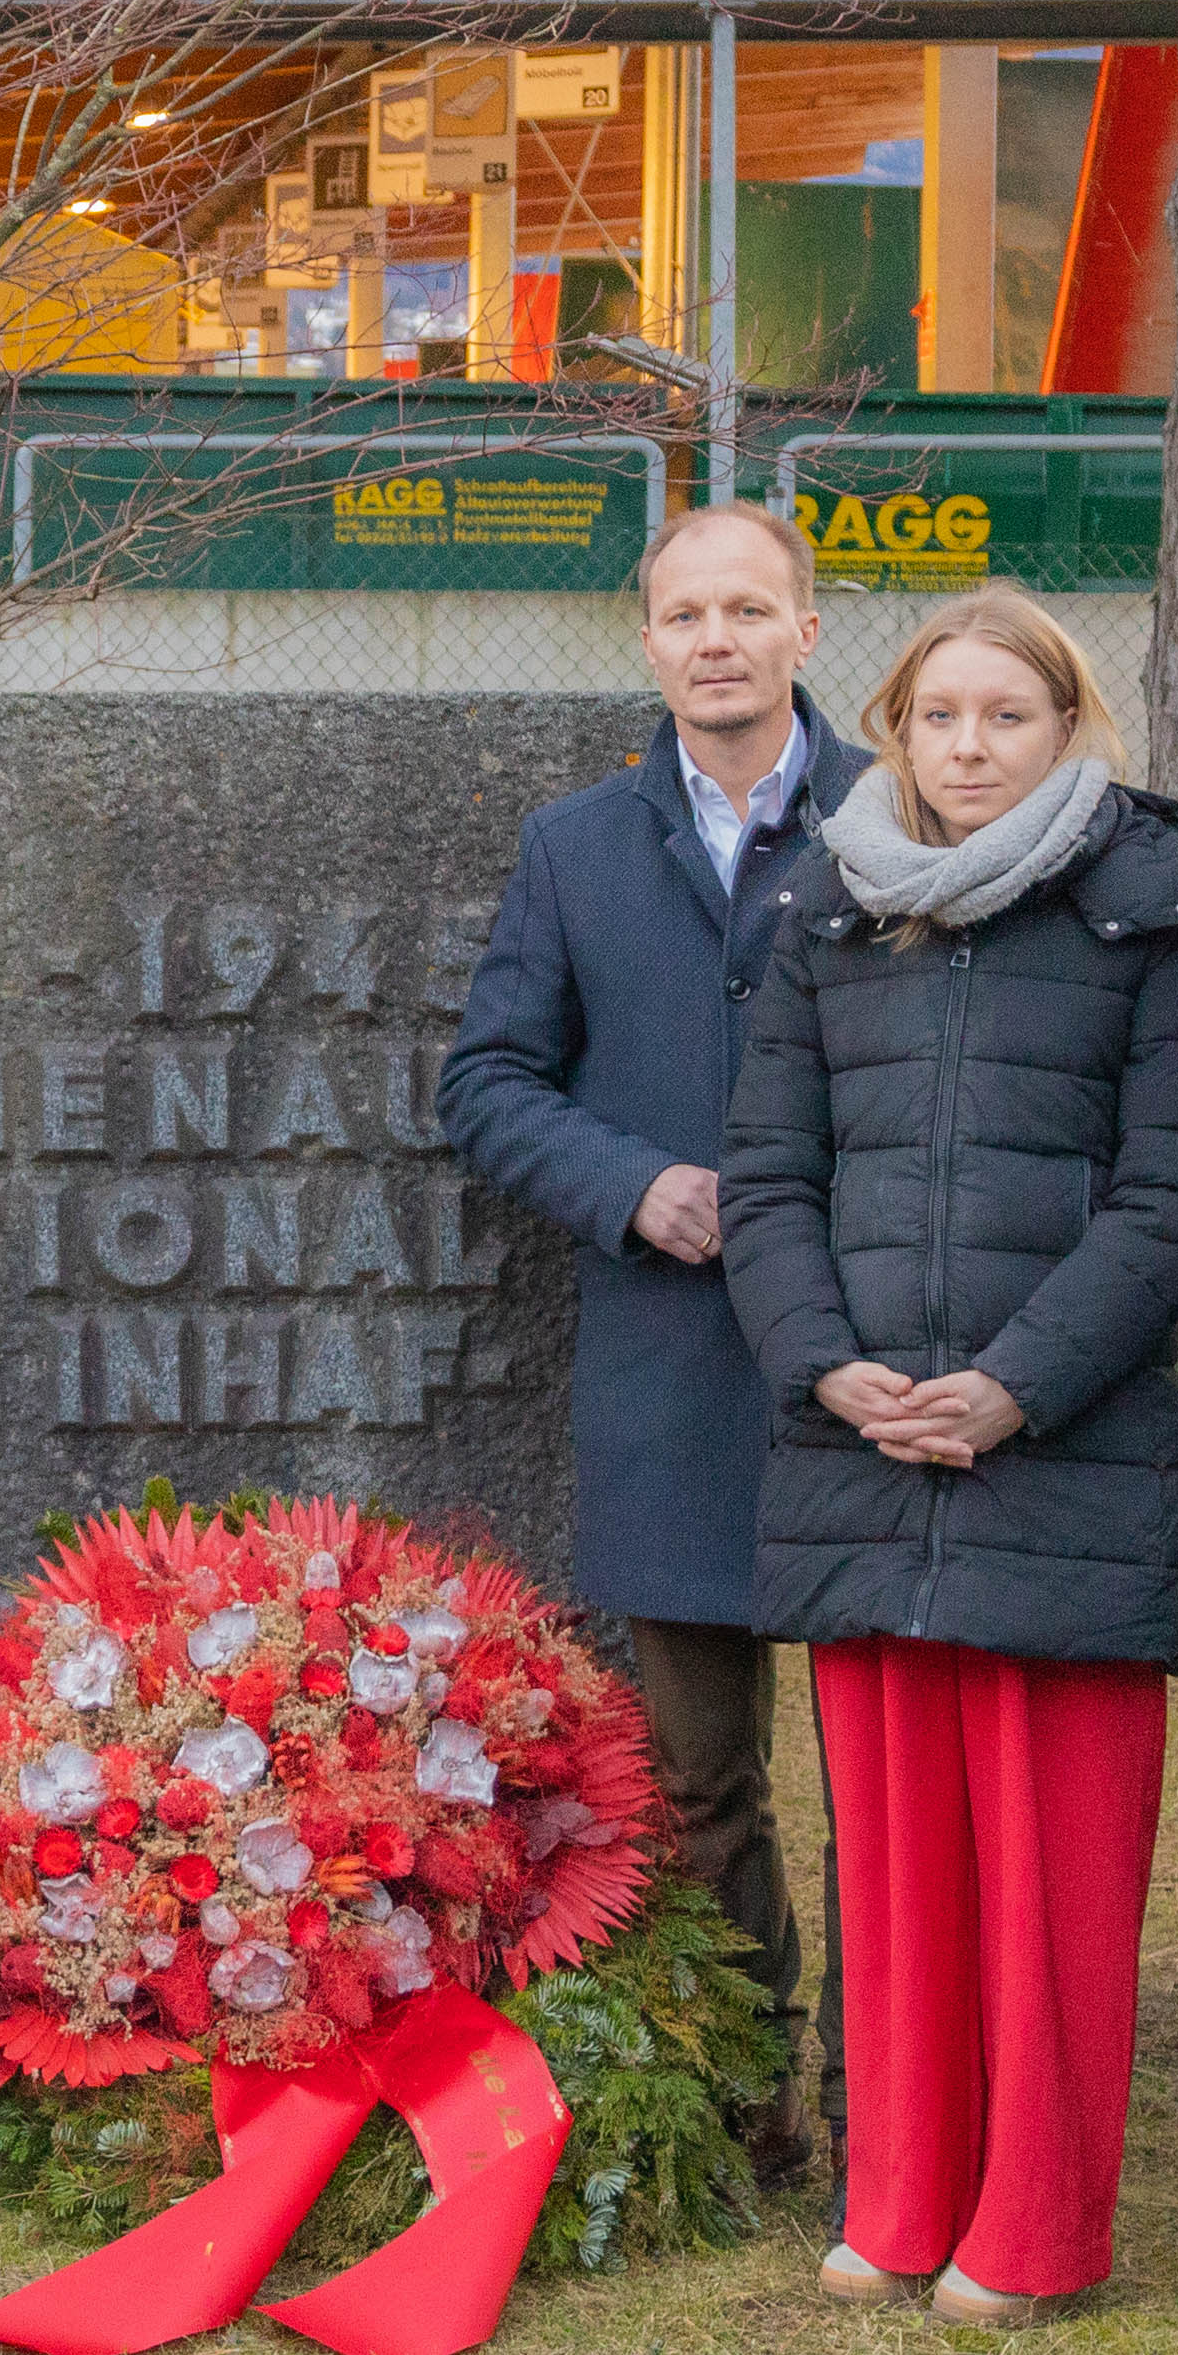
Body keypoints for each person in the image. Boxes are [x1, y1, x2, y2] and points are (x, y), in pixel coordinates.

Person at [721, 588, 1178, 2326]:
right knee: (897, 1860)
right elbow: (768, 1178)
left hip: (1055, 1462)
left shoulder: (1145, 919)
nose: (966, 746)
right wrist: (826, 1365)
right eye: (938, 715)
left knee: (1051, 1869)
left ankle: (1032, 2230)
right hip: (864, 1451)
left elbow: (1174, 1198)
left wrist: (1017, 1385)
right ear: (896, 732)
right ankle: (900, 2197)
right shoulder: (824, 917)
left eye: (1005, 716)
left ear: (1070, 729)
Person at [442, 498, 864, 2188]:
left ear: (805, 633)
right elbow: (486, 1083)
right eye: (685, 613)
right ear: (646, 641)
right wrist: (634, 1188)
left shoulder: (900, 817)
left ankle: (896, 2110)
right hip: (673, 1375)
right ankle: (759, 2094)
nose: (717, 640)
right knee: (702, 1781)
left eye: (748, 610)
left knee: (898, 1793)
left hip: (873, 1370)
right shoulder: (577, 848)